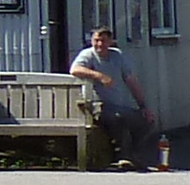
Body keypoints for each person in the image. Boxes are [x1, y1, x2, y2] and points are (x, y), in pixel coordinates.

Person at [72, 26, 169, 172]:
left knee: (146, 121)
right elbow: (75, 70)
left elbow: (131, 81)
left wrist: (143, 106)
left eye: (103, 41)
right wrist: (99, 76)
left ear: (110, 42)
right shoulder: (88, 55)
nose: (99, 44)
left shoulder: (117, 56)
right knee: (119, 118)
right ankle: (122, 156)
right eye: (96, 40)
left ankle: (132, 154)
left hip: (119, 106)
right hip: (97, 105)